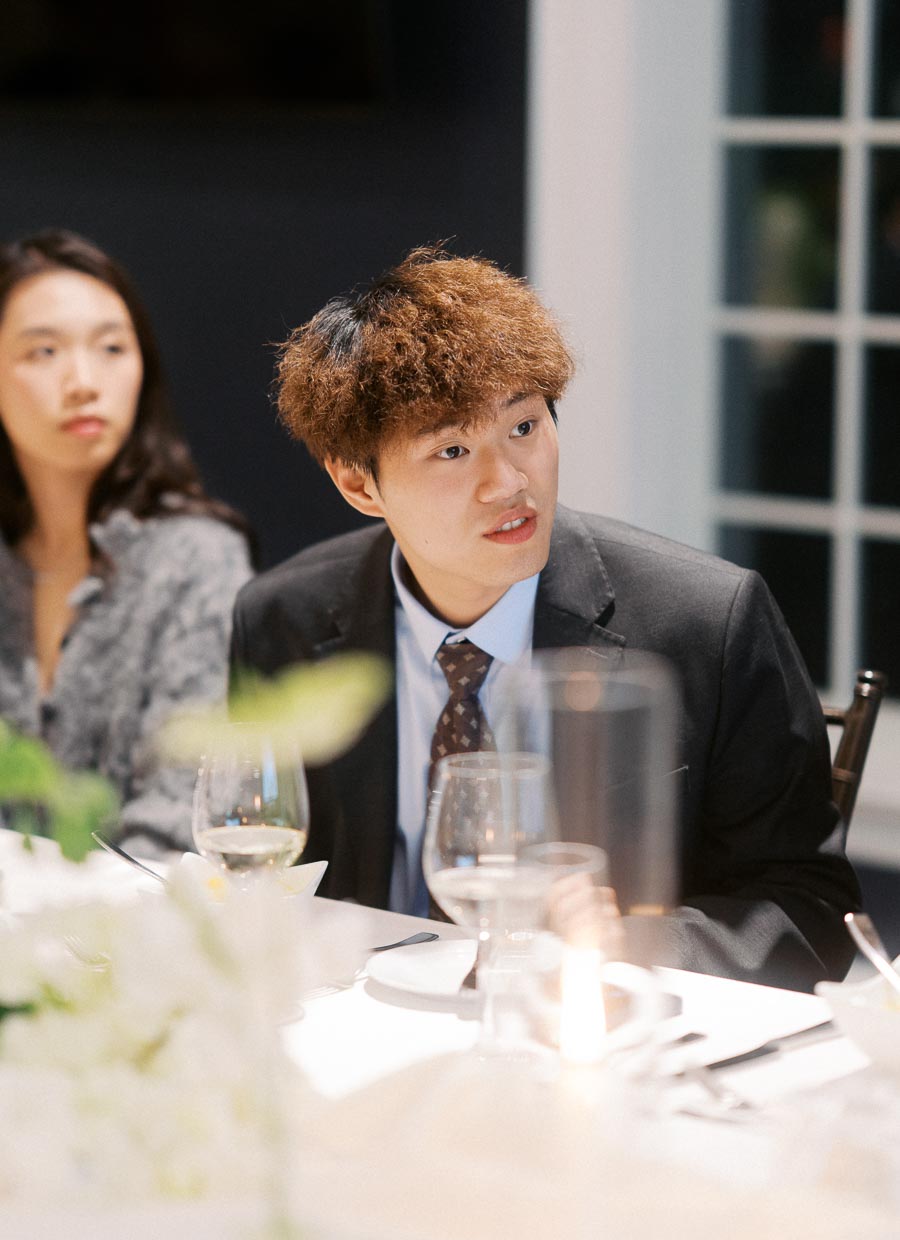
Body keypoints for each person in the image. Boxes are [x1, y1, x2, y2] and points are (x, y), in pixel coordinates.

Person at [230, 246, 859, 992]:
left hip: (593, 1037)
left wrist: (619, 943)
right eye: (453, 449)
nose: (508, 483)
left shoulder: (706, 621)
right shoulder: (284, 621)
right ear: (358, 483)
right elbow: (258, 867)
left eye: (524, 428)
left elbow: (811, 909)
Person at [0, 229, 254, 856]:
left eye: (112, 347)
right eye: (44, 352)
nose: (84, 381)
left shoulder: (197, 558)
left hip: (126, 941)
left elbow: (182, 820)